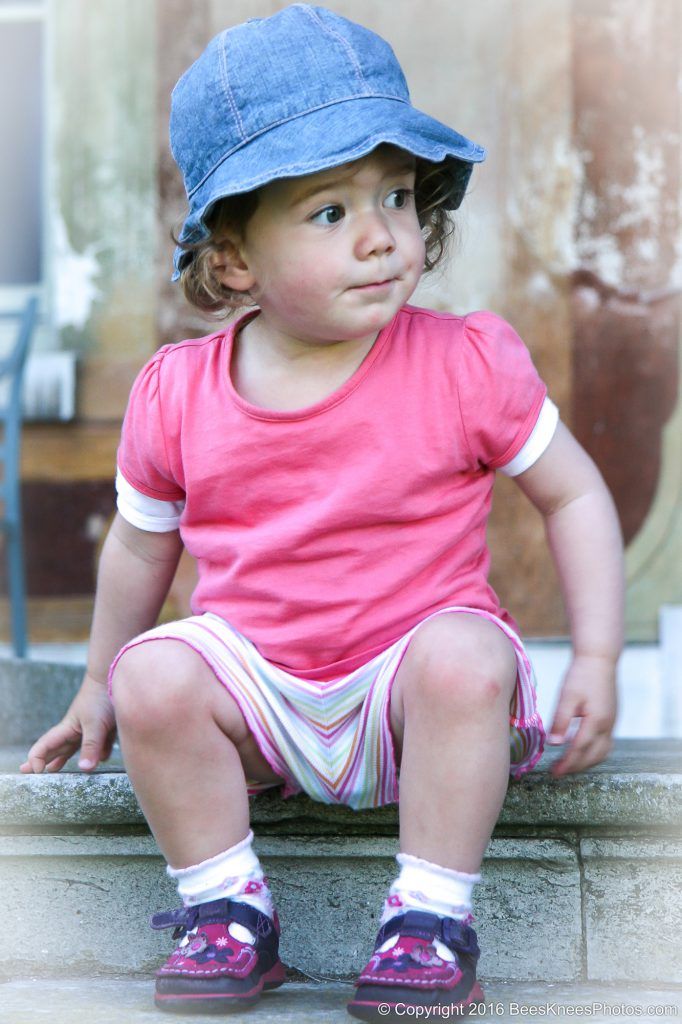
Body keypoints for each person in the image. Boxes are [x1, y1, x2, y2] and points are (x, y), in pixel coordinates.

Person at [21, 5, 624, 1019]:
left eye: (395, 193)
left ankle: (429, 917)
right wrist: (93, 682)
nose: (384, 234)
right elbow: (138, 545)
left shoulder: (464, 360)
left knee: (463, 657)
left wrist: (598, 656)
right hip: (261, 701)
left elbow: (571, 491)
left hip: (411, 697)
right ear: (235, 257)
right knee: (155, 674)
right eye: (330, 213)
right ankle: (226, 911)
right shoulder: (178, 391)